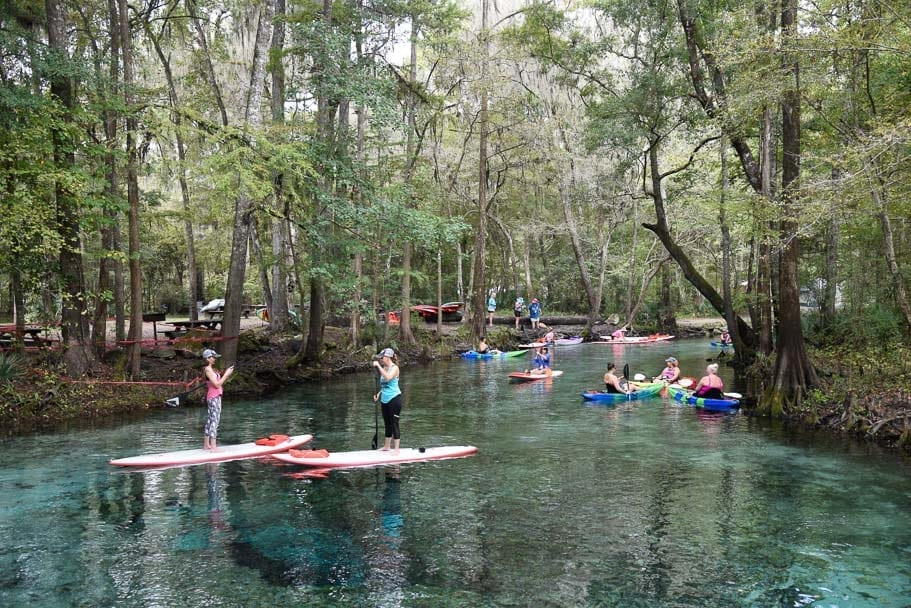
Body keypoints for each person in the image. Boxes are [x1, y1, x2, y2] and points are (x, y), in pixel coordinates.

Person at [202, 348, 235, 450]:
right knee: (215, 421)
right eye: (213, 357)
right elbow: (217, 385)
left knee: (210, 420)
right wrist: (226, 374)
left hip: (213, 397)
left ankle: (206, 445)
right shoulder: (208, 369)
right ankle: (213, 447)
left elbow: (217, 381)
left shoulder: (211, 369)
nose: (215, 359)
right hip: (214, 397)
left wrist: (225, 373)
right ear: (208, 358)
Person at [372, 347, 403, 453]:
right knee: (387, 424)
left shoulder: (395, 368)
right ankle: (387, 446)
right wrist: (378, 394)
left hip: (395, 399)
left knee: (394, 424)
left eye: (382, 357)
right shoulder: (384, 367)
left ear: (388, 357)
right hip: (384, 400)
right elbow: (384, 385)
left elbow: (388, 378)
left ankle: (397, 449)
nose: (381, 359)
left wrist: (378, 367)